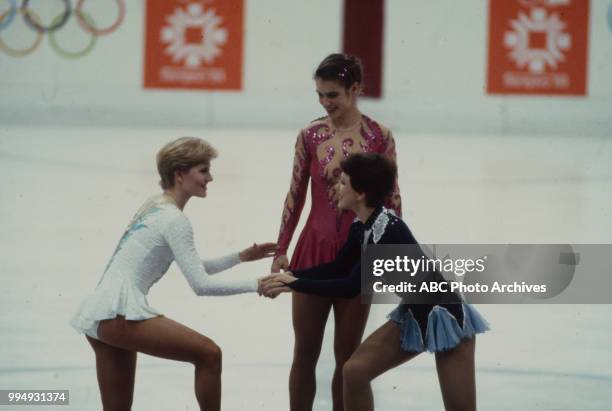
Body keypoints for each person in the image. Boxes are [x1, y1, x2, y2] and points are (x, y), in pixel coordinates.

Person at [263, 153, 489, 411]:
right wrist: (291, 276)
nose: (336, 188)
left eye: (343, 182)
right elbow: (338, 268)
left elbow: (350, 286)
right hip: (414, 315)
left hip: (447, 317)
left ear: (360, 193)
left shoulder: (388, 230)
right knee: (355, 371)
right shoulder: (362, 227)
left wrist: (292, 284)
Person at [70, 137, 277, 411]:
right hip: (118, 311)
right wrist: (258, 285)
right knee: (209, 354)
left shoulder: (156, 205)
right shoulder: (175, 220)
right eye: (203, 170)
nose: (210, 178)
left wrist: (241, 257)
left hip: (102, 312)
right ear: (180, 175)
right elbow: (201, 285)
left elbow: (194, 266)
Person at [272, 53, 402, 411]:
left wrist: (388, 257)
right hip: (314, 247)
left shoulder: (380, 136)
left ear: (355, 89)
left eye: (333, 95)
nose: (325, 103)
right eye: (320, 95)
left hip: (360, 255)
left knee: (348, 357)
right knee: (305, 352)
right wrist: (282, 246)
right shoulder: (310, 135)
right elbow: (295, 193)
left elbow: (392, 199)